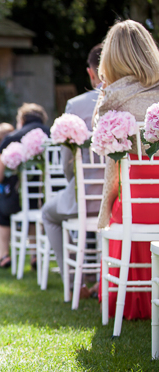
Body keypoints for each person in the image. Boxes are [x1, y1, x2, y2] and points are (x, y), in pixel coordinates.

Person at [95, 20, 159, 320]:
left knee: (121, 204)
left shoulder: (113, 97)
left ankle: (130, 299)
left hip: (135, 207)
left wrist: (103, 94)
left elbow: (101, 147)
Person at [41, 44, 103, 294]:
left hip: (87, 196)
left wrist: (74, 182)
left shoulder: (77, 105)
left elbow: (67, 161)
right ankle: (100, 277)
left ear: (91, 72)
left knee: (48, 213)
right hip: (122, 198)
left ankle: (74, 283)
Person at [0, 103, 50, 268]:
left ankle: (3, 255)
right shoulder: (54, 136)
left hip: (17, 200)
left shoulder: (12, 138)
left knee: (1, 209)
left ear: (21, 120)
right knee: (35, 208)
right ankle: (35, 255)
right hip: (50, 198)